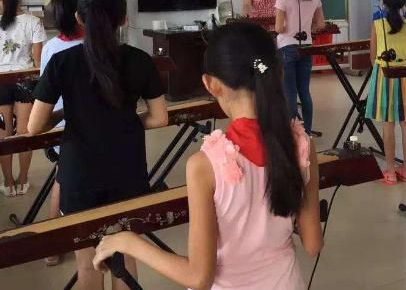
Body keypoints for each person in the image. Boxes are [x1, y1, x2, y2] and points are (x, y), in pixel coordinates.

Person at [91, 22, 322, 290]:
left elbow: (199, 277)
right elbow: (313, 243)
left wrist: (129, 242)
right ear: (278, 73)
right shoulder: (302, 145)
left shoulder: (205, 165)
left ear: (210, 84)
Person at [28, 0, 168, 290]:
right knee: (126, 260)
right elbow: (159, 117)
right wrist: (123, 122)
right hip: (128, 170)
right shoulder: (139, 59)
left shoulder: (62, 61)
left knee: (88, 266)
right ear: (124, 19)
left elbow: (34, 126)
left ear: (79, 18)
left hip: (80, 175)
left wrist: (69, 113)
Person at [40, 0, 84, 266]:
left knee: (63, 178)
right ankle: (54, 244)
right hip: (73, 130)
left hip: (60, 126)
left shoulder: (50, 48)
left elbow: (44, 93)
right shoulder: (90, 46)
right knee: (62, 180)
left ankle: (53, 246)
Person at [365, 0, 406, 185]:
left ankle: (390, 170)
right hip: (405, 73)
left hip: (384, 73)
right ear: (405, 1)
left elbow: (372, 56)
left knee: (388, 123)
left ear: (383, 2)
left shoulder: (377, 24)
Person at [0, 0, 47, 197]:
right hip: (25, 82)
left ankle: (8, 181)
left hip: (1, 82)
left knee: (4, 135)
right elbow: (37, 62)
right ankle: (23, 179)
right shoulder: (34, 22)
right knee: (24, 133)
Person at [274, 0, 325, 135]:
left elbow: (279, 28)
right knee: (304, 91)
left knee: (289, 93)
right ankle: (307, 133)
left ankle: (293, 135)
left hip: (287, 48)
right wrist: (307, 28)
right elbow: (321, 24)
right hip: (307, 47)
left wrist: (288, 28)